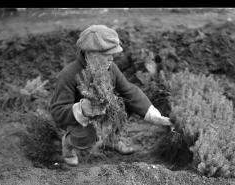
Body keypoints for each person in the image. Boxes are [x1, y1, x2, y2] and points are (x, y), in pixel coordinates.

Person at [50, 24, 172, 166]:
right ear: (91, 53)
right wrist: (81, 109)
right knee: (88, 136)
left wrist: (154, 116)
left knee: (122, 104)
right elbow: (57, 111)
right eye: (107, 55)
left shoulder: (110, 68)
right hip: (81, 122)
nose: (112, 59)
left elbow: (129, 91)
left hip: (102, 111)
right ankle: (69, 144)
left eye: (113, 54)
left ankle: (112, 139)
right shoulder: (69, 74)